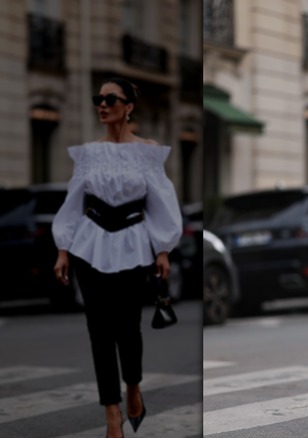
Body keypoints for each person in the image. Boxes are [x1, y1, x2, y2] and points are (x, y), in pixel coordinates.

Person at [52, 77, 182, 438]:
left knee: (128, 329)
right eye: (99, 98)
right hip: (88, 245)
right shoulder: (88, 153)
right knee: (99, 331)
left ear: (129, 107)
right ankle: (111, 412)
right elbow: (73, 203)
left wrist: (163, 249)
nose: (103, 104)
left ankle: (133, 388)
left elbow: (161, 202)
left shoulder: (147, 151)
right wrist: (63, 249)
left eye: (111, 98)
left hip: (133, 244)